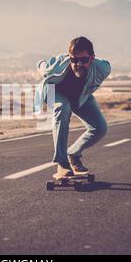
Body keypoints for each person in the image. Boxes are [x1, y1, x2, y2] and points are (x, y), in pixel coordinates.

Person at [35, 37, 111, 178]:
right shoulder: (58, 65)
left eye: (83, 60)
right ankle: (62, 163)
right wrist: (42, 66)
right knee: (63, 108)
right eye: (74, 60)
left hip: (80, 96)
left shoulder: (102, 68)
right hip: (53, 92)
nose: (78, 64)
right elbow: (41, 65)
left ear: (92, 58)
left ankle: (73, 153)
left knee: (100, 128)